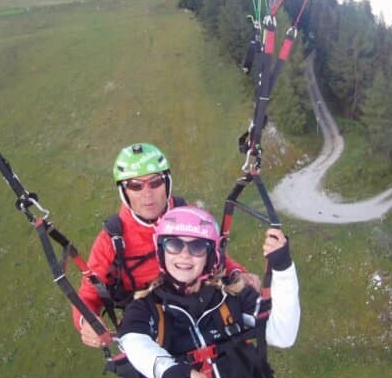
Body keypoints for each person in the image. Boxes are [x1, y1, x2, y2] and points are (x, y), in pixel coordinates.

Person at [118, 205, 305, 378]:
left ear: (211, 255)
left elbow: (282, 335)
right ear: (161, 251)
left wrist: (283, 269)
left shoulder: (233, 297)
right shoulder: (146, 307)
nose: (184, 255)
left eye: (196, 247)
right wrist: (171, 372)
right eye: (174, 244)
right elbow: (133, 341)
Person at [73, 143, 257, 346]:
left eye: (155, 182)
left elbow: (211, 253)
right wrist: (87, 322)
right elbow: (89, 293)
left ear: (167, 183)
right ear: (123, 192)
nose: (147, 194)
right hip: (151, 319)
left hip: (201, 303)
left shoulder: (187, 215)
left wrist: (237, 273)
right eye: (135, 185)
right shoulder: (112, 240)